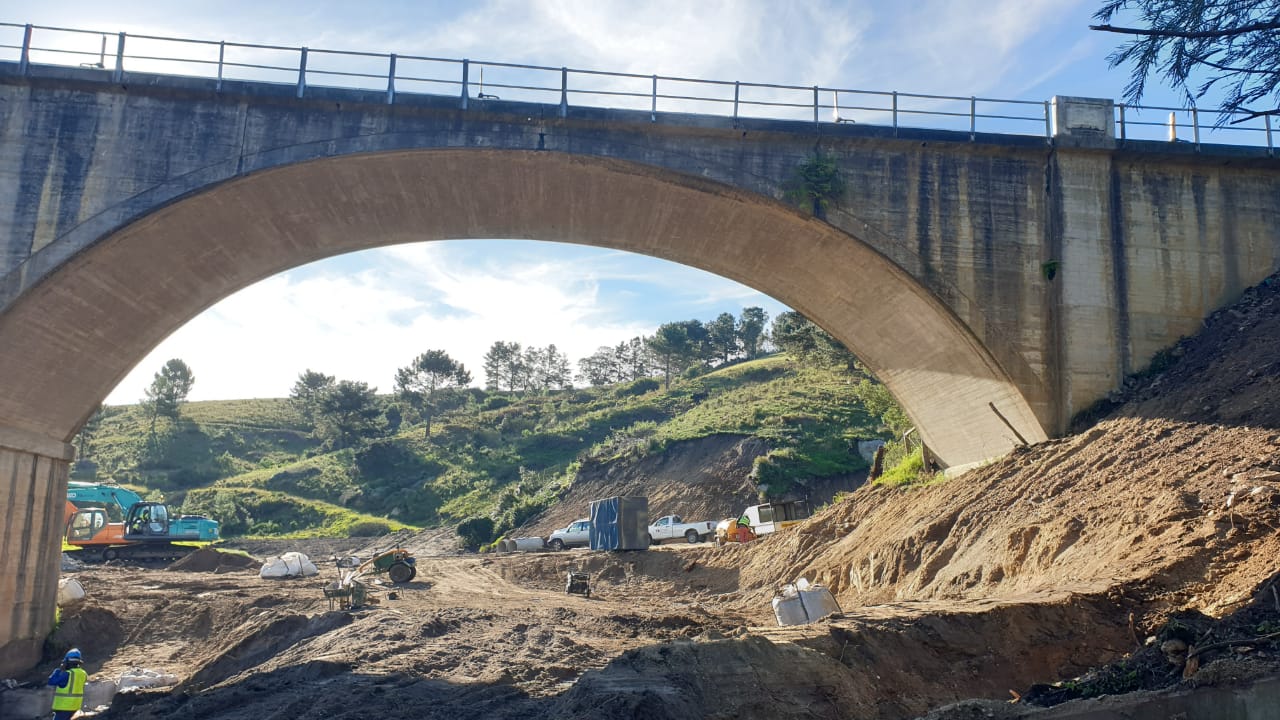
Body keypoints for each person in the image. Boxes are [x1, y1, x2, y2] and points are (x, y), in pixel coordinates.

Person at [47, 648, 87, 720]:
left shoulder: (68, 674)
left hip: (64, 708)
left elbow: (51, 681)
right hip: (76, 707)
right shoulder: (83, 674)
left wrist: (59, 670)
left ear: (67, 662)